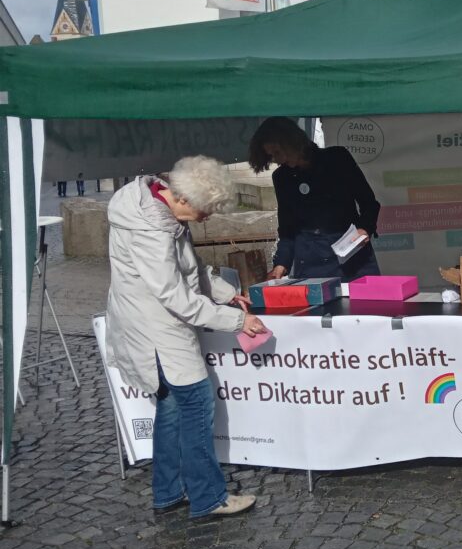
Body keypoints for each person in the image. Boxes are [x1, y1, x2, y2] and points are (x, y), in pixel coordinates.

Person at [105, 156, 265, 518]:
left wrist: (226, 293)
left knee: (172, 408)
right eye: (205, 210)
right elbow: (175, 295)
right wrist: (237, 321)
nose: (206, 218)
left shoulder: (160, 211)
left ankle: (168, 491)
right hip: (158, 331)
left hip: (155, 325)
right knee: (196, 404)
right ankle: (208, 496)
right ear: (181, 198)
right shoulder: (152, 230)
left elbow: (190, 267)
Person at [249, 118, 382, 281]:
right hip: (312, 265)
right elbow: (287, 229)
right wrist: (281, 264)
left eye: (277, 152)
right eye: (271, 156)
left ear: (292, 141)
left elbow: (369, 203)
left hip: (353, 258)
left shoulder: (337, 158)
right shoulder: (282, 177)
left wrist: (364, 228)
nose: (277, 160)